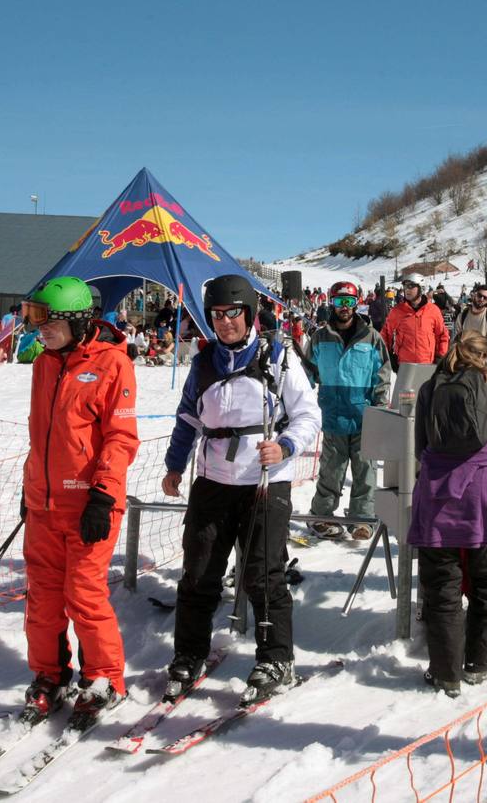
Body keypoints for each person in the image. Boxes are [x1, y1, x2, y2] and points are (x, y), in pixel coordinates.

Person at [161, 274, 321, 702]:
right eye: (217, 315)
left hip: (265, 482)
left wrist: (286, 445)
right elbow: (188, 419)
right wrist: (175, 466)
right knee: (199, 571)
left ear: (249, 314)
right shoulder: (205, 362)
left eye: (233, 313)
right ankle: (189, 652)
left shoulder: (279, 359)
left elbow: (308, 415)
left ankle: (276, 657)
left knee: (262, 575)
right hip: (213, 481)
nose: (225, 322)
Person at [19, 276, 140, 727]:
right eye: (33, 317)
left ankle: (105, 677)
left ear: (75, 319)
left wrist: (104, 494)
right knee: (43, 598)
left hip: (91, 503)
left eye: (45, 319)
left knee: (84, 595)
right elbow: (40, 438)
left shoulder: (112, 364)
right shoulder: (43, 365)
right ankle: (50, 675)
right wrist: (29, 489)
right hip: (43, 505)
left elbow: (121, 437)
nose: (38, 328)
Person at [412, 331, 487, 697]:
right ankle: (482, 662)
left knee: (441, 584)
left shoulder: (430, 387)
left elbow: (420, 447)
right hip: (484, 492)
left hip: (436, 489)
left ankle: (446, 673)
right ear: (484, 356)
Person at [303, 281, 392, 541]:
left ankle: (361, 520)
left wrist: (379, 406)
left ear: (357, 303)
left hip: (364, 414)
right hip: (333, 413)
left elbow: (383, 373)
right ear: (331, 302)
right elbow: (308, 373)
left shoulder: (371, 336)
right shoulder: (321, 336)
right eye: (340, 302)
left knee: (365, 470)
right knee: (331, 469)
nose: (345, 307)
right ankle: (321, 516)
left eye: (349, 302)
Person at [381, 277, 449, 369]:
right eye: (405, 286)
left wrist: (440, 356)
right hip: (404, 366)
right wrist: (388, 356)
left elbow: (442, 335)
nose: (407, 289)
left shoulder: (433, 310)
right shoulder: (397, 311)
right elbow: (385, 334)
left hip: (427, 365)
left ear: (421, 288)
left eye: (411, 286)